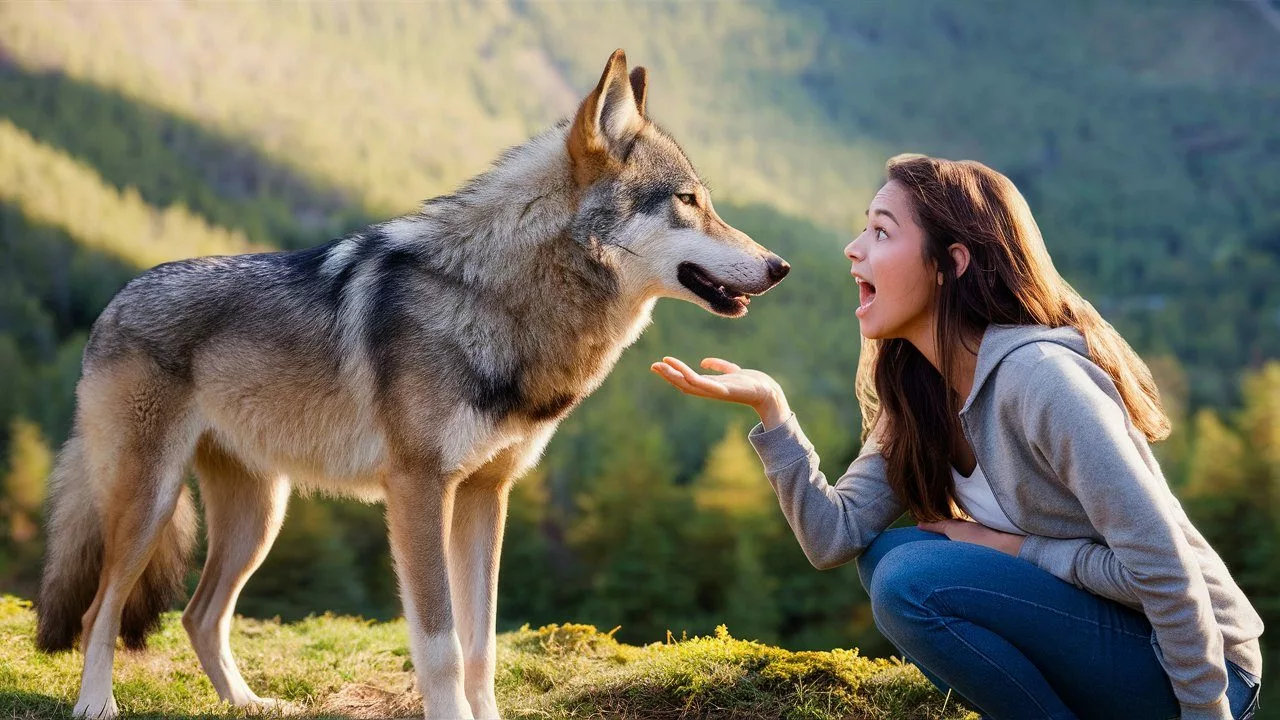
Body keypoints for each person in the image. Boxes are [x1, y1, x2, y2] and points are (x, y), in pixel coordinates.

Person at [650, 154, 1264, 720]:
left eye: (882, 232)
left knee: (913, 581)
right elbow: (834, 537)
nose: (852, 248)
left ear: (950, 264)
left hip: (1200, 670)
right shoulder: (921, 392)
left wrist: (1016, 549)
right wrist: (774, 414)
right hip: (1110, 640)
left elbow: (1163, 571)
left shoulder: (1043, 380)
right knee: (889, 558)